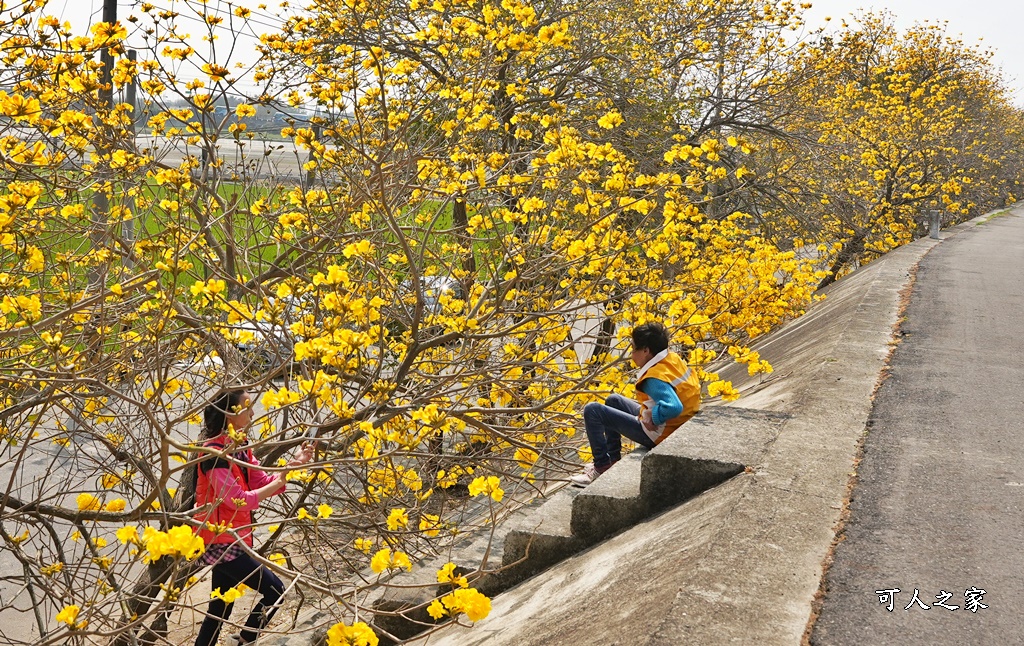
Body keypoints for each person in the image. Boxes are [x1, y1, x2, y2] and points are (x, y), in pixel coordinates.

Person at [193, 388, 314, 646]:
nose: (252, 413)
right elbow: (237, 499)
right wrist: (276, 482)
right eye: (246, 408)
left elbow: (264, 481)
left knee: (221, 609)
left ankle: (243, 638)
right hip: (220, 540)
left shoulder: (241, 447)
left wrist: (294, 464)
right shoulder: (214, 454)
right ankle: (246, 638)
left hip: (234, 538)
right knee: (276, 592)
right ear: (229, 414)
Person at [571, 322, 701, 487]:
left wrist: (653, 418)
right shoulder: (672, 359)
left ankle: (601, 466)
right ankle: (613, 459)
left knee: (593, 410)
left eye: (633, 349)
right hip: (680, 424)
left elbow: (674, 406)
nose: (631, 355)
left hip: (661, 433)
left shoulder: (654, 377)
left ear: (646, 350)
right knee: (613, 400)